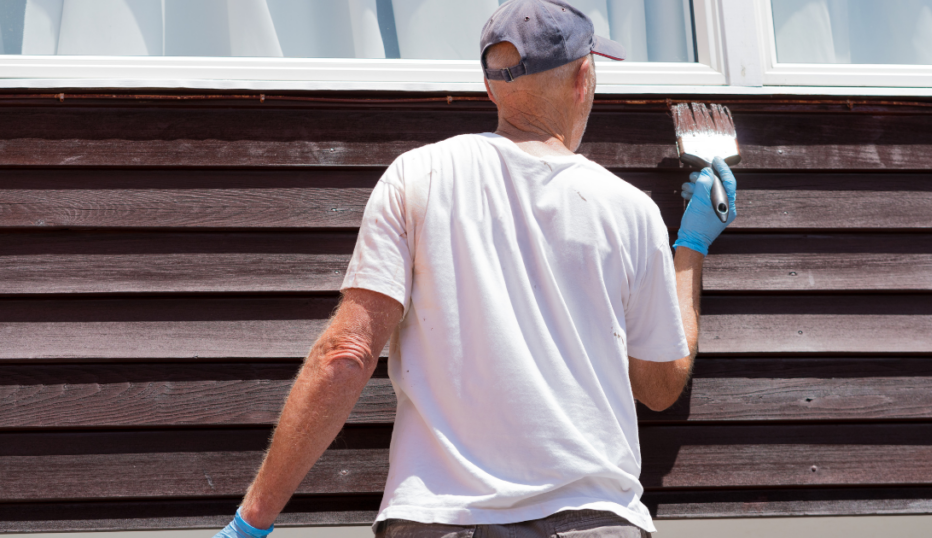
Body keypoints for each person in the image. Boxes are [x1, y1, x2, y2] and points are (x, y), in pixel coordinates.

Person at [215, 1, 737, 537]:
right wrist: (690, 248)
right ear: (584, 79)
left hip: (442, 520)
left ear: (490, 87)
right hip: (594, 521)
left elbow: (345, 357)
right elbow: (658, 384)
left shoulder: (417, 178)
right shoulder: (630, 210)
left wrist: (251, 523)